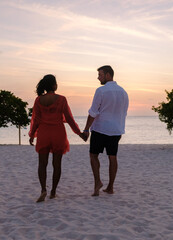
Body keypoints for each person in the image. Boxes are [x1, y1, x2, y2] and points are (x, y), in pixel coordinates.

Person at [29, 74, 86, 202]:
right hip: (58, 133)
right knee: (57, 164)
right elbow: (70, 119)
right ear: (54, 85)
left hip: (43, 133)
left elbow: (36, 120)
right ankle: (53, 191)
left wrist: (32, 134)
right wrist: (80, 134)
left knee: (42, 164)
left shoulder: (38, 100)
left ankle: (43, 189)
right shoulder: (61, 99)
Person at [82, 65, 129, 196]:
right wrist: (120, 128)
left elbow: (93, 112)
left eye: (100, 75)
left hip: (100, 129)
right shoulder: (123, 92)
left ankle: (97, 182)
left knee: (93, 155)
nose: (98, 77)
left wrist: (86, 129)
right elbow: (123, 113)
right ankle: (110, 187)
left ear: (108, 75)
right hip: (116, 130)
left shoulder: (101, 91)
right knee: (112, 157)